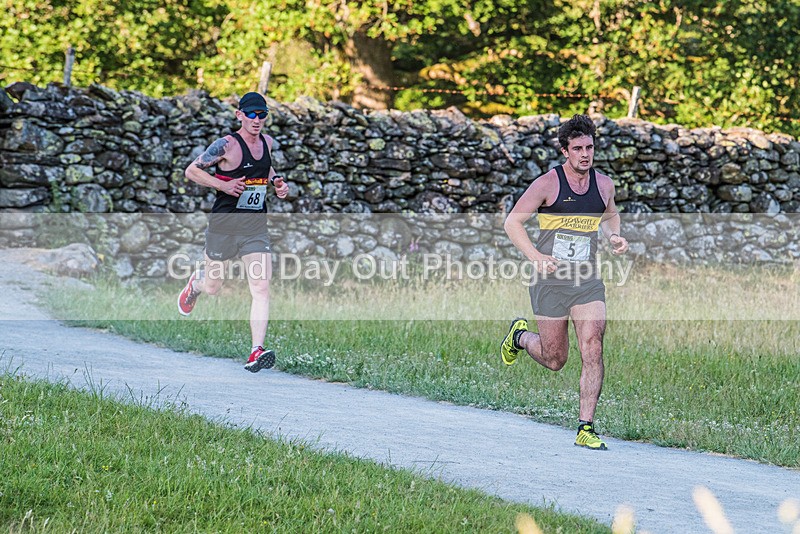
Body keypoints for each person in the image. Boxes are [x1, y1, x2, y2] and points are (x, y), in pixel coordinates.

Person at [501, 114, 628, 450]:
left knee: (593, 344)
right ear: (564, 151)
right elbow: (513, 223)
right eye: (577, 148)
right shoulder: (548, 184)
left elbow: (610, 214)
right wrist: (536, 257)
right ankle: (520, 337)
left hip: (586, 280)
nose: (585, 154)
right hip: (550, 282)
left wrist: (614, 236)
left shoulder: (604, 185)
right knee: (555, 359)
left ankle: (585, 427)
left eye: (589, 147)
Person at [177, 92, 290, 373]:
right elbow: (191, 171)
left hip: (254, 226)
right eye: (251, 114)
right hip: (224, 226)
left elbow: (265, 166)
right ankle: (196, 285)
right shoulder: (226, 145)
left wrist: (276, 181)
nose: (257, 120)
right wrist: (223, 186)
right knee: (214, 287)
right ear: (239, 115)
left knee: (261, 287)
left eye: (262, 114)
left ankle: (256, 351)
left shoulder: (268, 143)